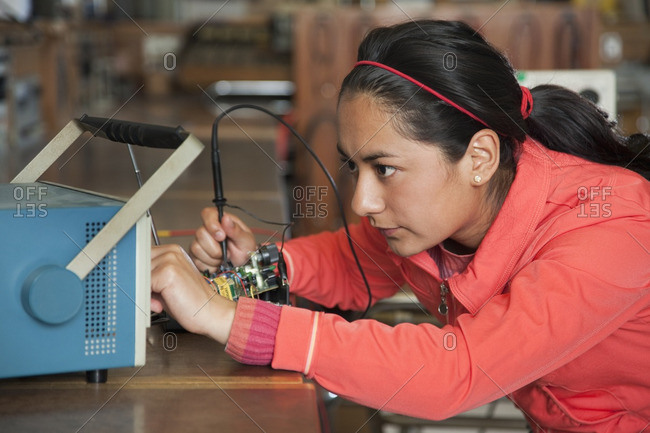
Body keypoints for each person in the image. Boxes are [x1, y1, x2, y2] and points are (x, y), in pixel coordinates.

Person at [150, 20, 650, 432]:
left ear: (479, 157)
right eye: (354, 168)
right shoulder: (442, 216)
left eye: (384, 169)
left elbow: (453, 371)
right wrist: (251, 271)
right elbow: (351, 261)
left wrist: (220, 317)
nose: (363, 201)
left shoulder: (610, 230)